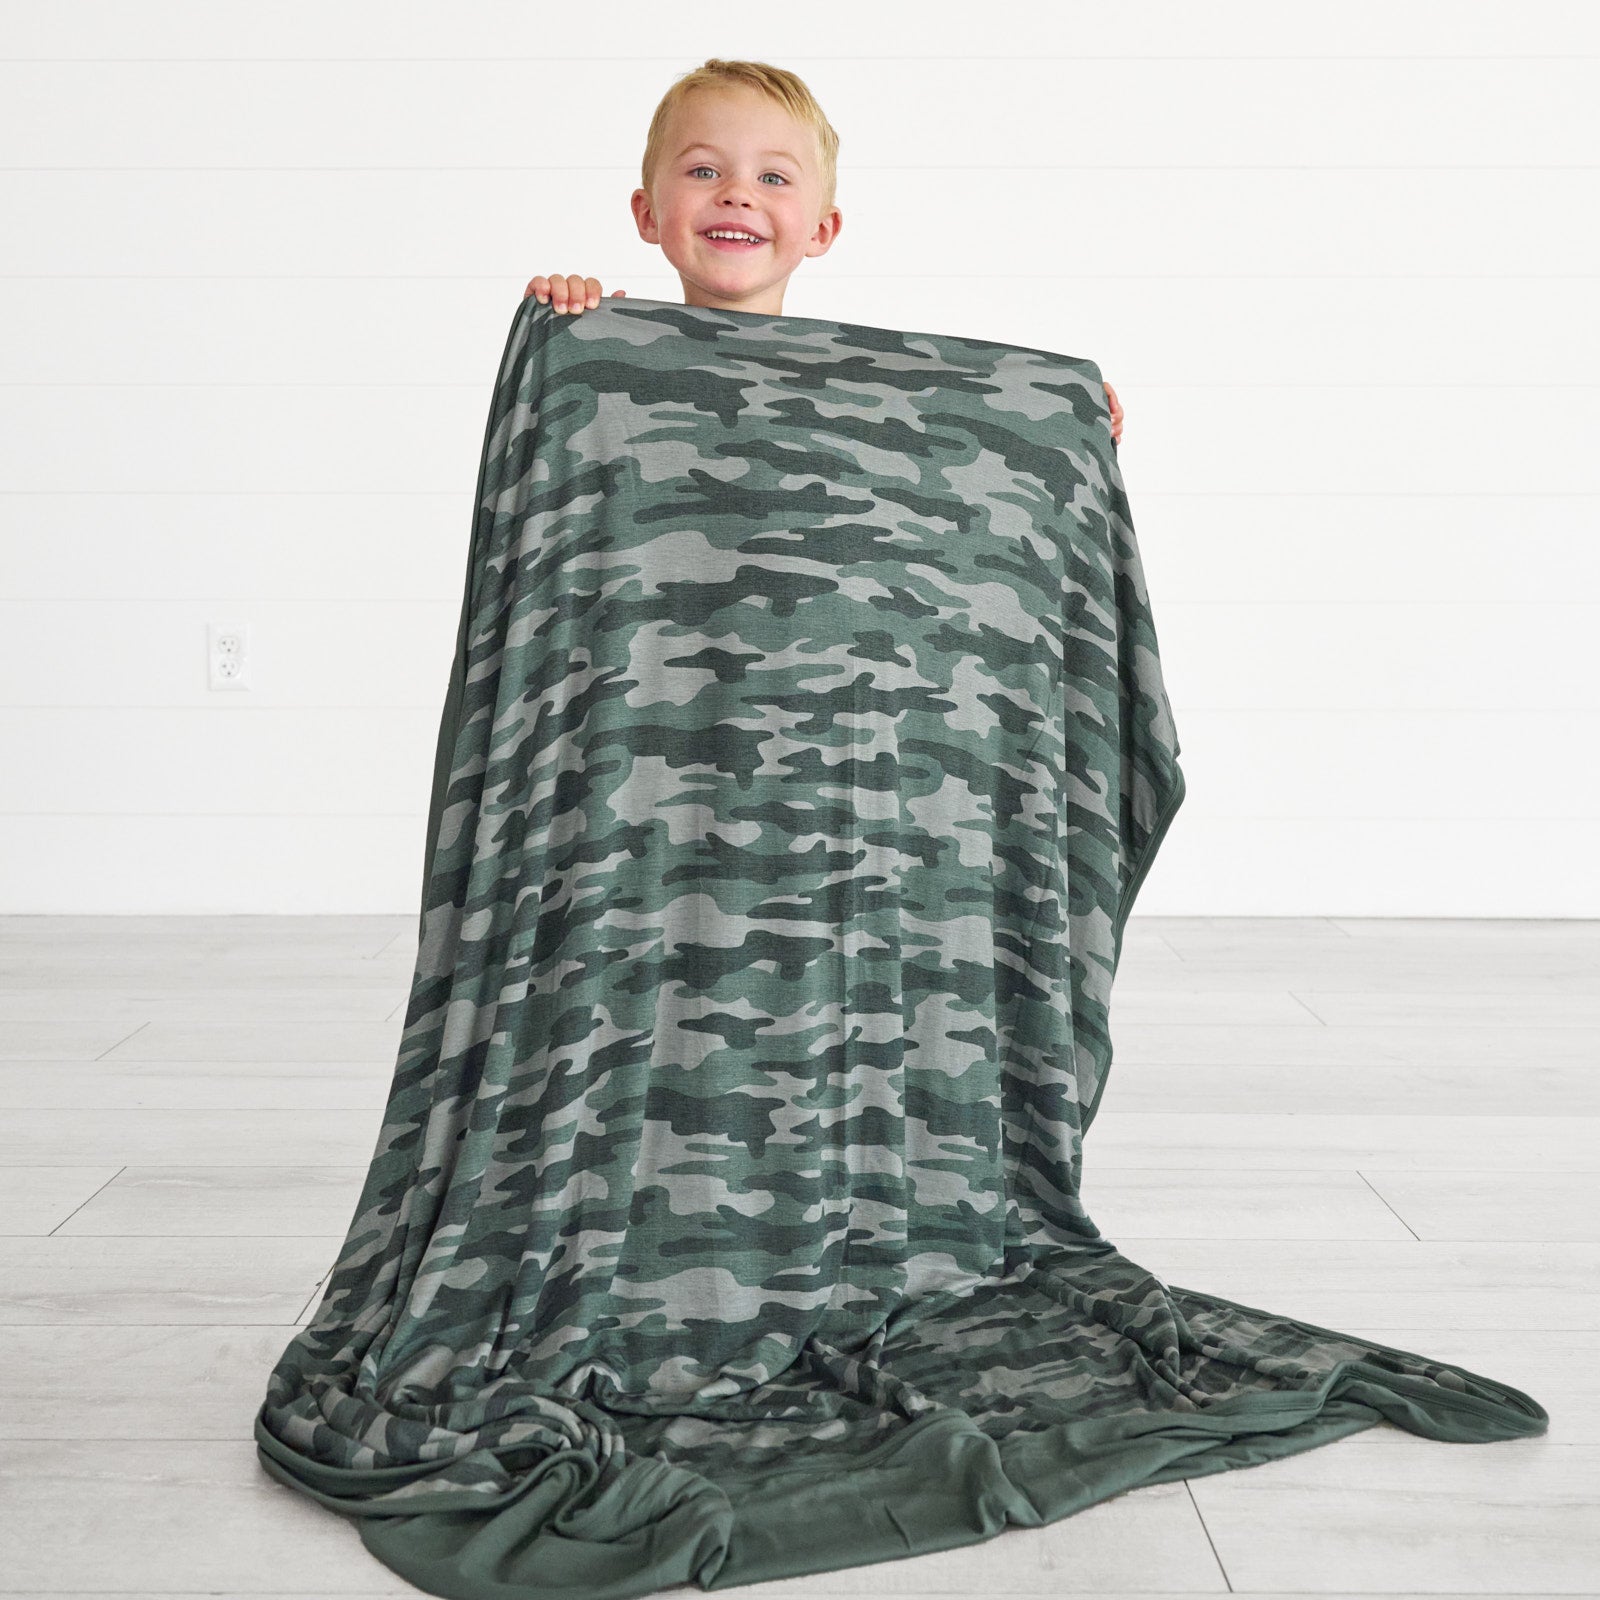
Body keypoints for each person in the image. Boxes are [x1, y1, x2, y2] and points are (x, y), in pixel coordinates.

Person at [520, 57, 1126, 444]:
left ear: (821, 231)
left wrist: (1062, 412)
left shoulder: (869, 400)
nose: (737, 195)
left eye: (774, 179)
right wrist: (570, 331)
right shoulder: (606, 364)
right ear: (648, 215)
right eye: (703, 172)